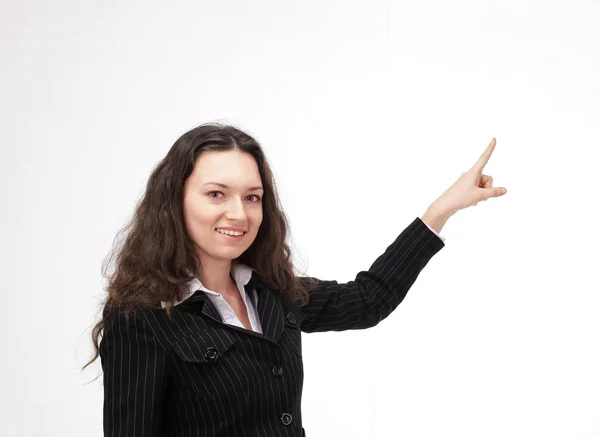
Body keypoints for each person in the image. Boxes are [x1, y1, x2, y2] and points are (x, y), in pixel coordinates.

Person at [83, 123, 506, 436]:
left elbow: (368, 299)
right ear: (175, 199)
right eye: (216, 194)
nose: (239, 213)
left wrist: (440, 211)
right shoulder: (140, 317)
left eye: (252, 197)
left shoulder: (273, 292)